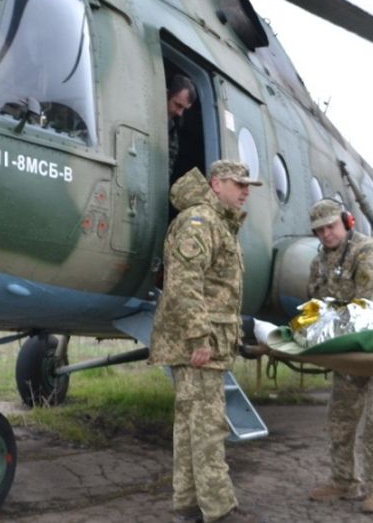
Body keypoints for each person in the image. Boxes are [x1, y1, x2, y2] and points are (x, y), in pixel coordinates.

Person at [147, 159, 262, 523]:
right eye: (238, 184)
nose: (245, 192)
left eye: (247, 186)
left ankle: (187, 505)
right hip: (201, 345)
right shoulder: (201, 222)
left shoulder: (218, 224)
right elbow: (183, 283)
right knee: (209, 428)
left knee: (191, 426)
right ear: (216, 184)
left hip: (209, 342)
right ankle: (219, 510)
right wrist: (199, 337)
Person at [303, 199, 373, 515]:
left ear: (347, 222)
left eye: (331, 226)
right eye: (319, 230)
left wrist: (321, 326)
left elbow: (365, 310)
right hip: (351, 350)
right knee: (340, 417)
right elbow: (315, 304)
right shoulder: (319, 261)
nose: (326, 234)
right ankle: (343, 481)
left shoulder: (369, 254)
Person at [166, 75, 196, 178]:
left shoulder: (172, 133)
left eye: (184, 109)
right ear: (167, 94)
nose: (180, 113)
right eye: (178, 105)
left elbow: (167, 169)